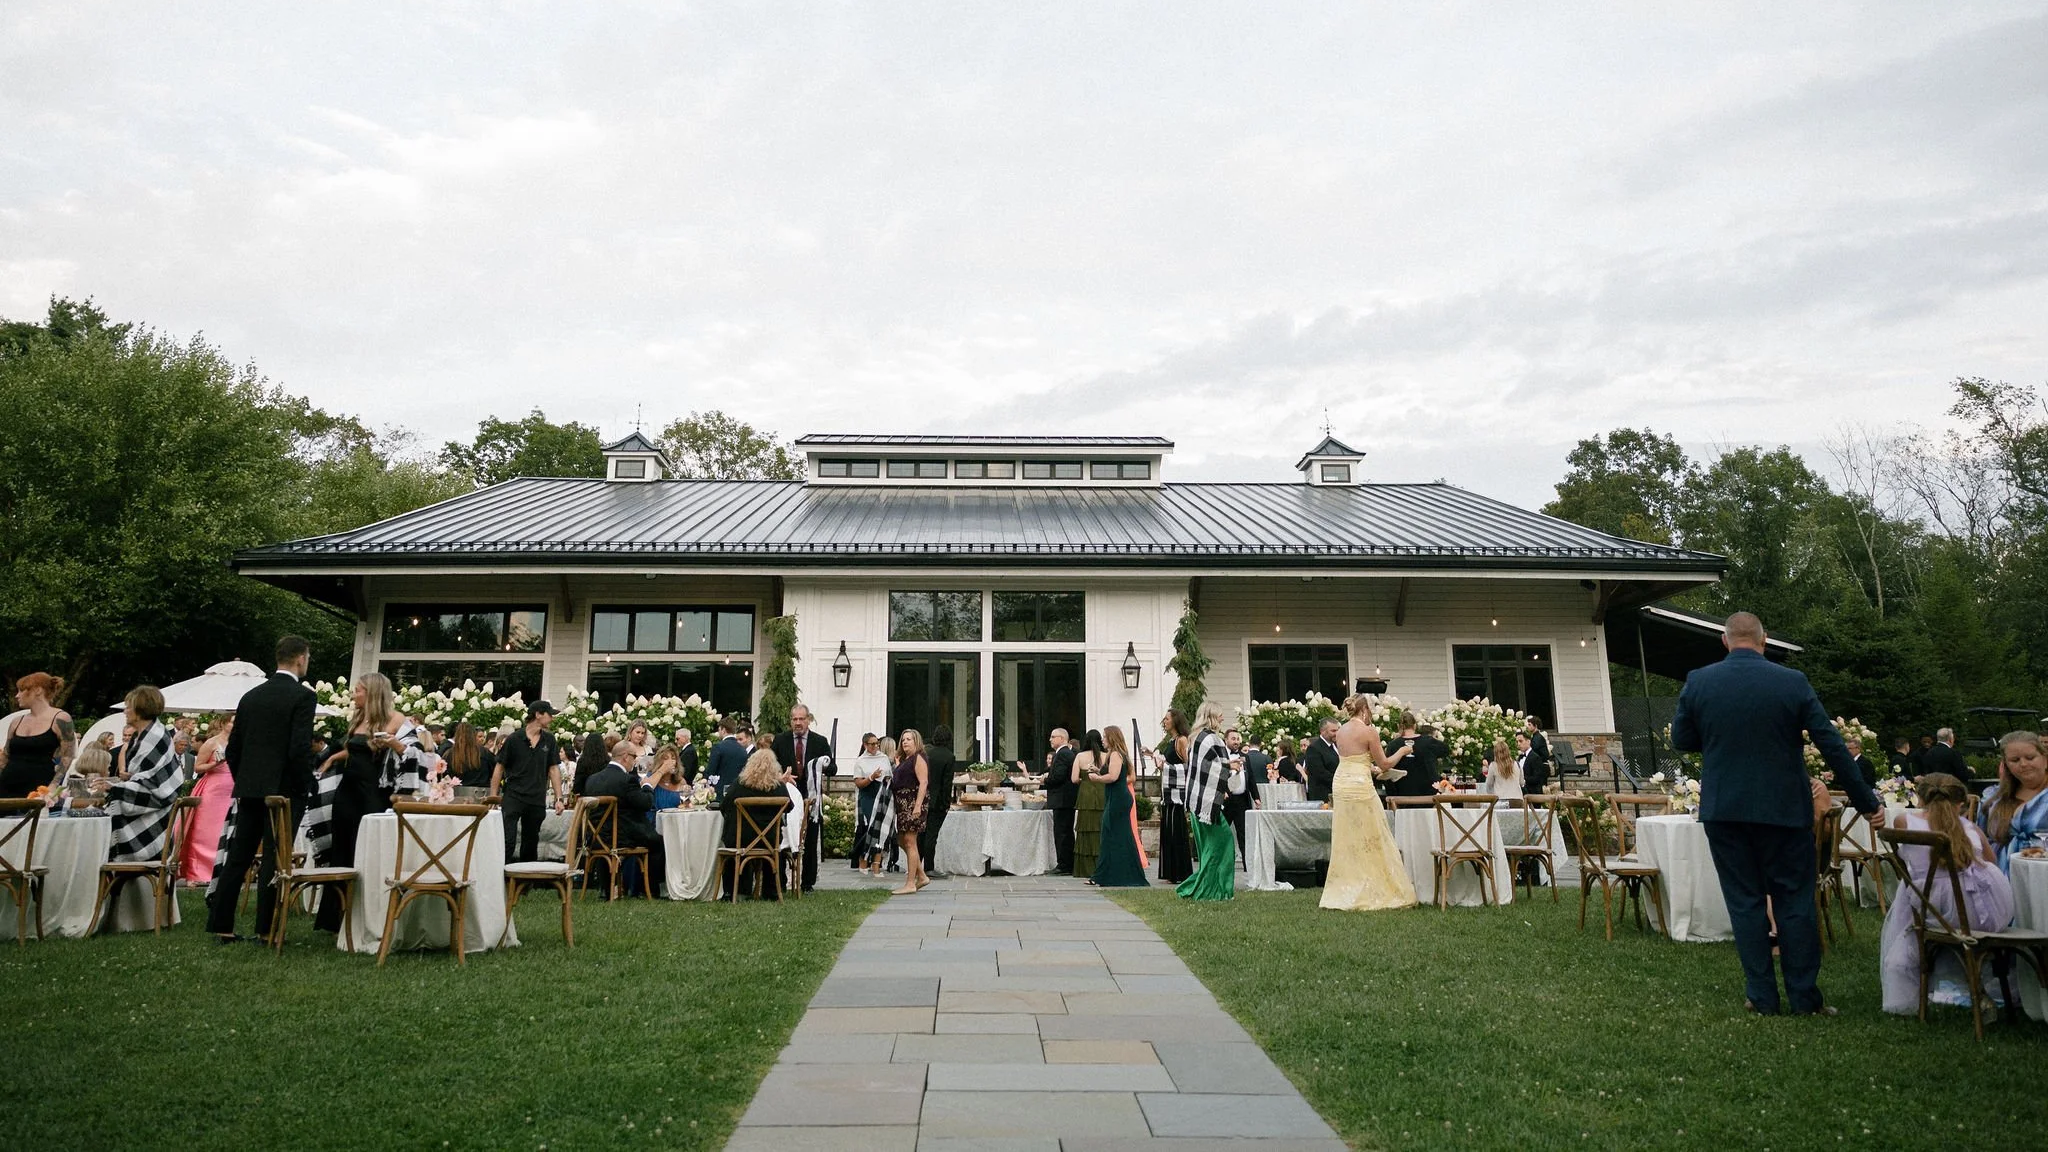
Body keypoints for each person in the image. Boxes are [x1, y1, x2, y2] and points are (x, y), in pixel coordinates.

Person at [1669, 611, 1880, 1016]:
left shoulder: (1700, 681)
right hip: (1784, 808)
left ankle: (1762, 997)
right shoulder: (1791, 682)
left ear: (1726, 642)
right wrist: (1868, 803)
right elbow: (1832, 745)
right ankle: (1805, 998)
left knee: (1745, 902)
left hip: (1725, 810)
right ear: (1764, 642)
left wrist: (1717, 738)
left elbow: (1682, 738)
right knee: (1794, 901)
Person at [206, 636, 317, 944]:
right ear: (300, 659)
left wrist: (245, 778)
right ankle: (266, 929)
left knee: (239, 855)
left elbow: (233, 748)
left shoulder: (251, 697)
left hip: (250, 787)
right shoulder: (303, 697)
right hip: (283, 791)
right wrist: (302, 784)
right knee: (275, 857)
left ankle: (221, 925)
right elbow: (298, 748)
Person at [1877, 772, 2015, 1015]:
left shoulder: (1905, 822)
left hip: (1933, 911)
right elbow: (1992, 862)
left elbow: (1903, 859)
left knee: (1911, 889)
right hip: (1984, 915)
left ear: (1920, 800)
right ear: (1961, 803)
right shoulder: (1970, 827)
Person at [310, 671, 405, 935]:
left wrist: (391, 742)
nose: (354, 694)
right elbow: (354, 748)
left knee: (370, 849)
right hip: (348, 791)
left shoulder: (395, 719)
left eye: (359, 690)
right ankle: (335, 917)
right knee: (343, 849)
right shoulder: (360, 717)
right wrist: (332, 759)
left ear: (373, 692)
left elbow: (410, 750)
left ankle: (371, 915)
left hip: (373, 792)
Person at [1320, 694, 1417, 912]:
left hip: (1342, 783)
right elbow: (1384, 763)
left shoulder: (1341, 731)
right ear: (1364, 710)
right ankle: (1374, 884)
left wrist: (1369, 767)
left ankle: (1348, 885)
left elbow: (1354, 759)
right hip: (1359, 785)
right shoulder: (1369, 731)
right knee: (1373, 833)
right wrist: (1402, 750)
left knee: (1348, 836)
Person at [93, 686, 185, 863]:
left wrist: (114, 787)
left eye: (129, 707)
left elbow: (152, 785)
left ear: (141, 708)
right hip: (152, 811)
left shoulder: (154, 736)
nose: (125, 711)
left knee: (96, 843)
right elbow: (146, 776)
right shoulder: (143, 735)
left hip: (155, 817)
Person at [580, 739, 665, 897]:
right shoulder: (627, 780)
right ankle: (648, 890)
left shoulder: (592, 779)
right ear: (625, 757)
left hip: (595, 836)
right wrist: (647, 786)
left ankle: (607, 889)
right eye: (634, 757)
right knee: (657, 842)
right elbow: (645, 803)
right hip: (619, 836)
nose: (635, 761)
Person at [772, 704, 836, 892]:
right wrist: (781, 776)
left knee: (810, 837)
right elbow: (772, 766)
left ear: (808, 719)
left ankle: (807, 883)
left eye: (802, 719)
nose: (798, 723)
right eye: (795, 719)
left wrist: (819, 767)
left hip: (811, 798)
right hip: (787, 798)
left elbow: (833, 768)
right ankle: (782, 882)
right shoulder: (780, 740)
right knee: (784, 837)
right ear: (790, 721)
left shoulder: (819, 741)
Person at [1175, 702, 1236, 901]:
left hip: (1196, 801)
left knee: (1208, 847)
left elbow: (1201, 769)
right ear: (1211, 717)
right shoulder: (1213, 739)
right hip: (1208, 804)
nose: (1222, 719)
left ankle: (1207, 885)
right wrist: (1231, 766)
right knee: (1222, 843)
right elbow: (1215, 768)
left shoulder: (1195, 739)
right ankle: (1213, 888)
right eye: (1220, 715)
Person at [491, 702, 562, 864]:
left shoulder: (549, 740)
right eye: (549, 714)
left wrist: (559, 798)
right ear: (538, 715)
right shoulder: (514, 739)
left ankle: (525, 882)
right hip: (514, 796)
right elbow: (499, 767)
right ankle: (501, 877)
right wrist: (493, 796)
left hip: (536, 797)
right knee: (507, 840)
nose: (552, 718)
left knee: (531, 842)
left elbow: (553, 769)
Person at [721, 745, 792, 898]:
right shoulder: (778, 787)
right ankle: (771, 891)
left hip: (741, 839)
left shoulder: (740, 785)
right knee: (774, 849)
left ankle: (736, 890)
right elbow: (789, 807)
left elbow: (724, 805)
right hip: (769, 840)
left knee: (731, 841)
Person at [1089, 726, 1150, 887]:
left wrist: (1097, 778)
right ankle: (1109, 874)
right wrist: (1098, 770)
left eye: (1104, 737)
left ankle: (1111, 875)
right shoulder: (1113, 754)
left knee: (1113, 834)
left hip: (1119, 798)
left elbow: (1113, 777)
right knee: (1115, 835)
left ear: (1112, 738)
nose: (1102, 740)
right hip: (1115, 797)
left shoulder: (1116, 754)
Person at [1978, 730, 2047, 871]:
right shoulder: (1995, 797)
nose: (2023, 764)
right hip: (2001, 874)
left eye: (2030, 757)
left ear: (2045, 759)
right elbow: (1981, 838)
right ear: (2006, 765)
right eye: (2015, 760)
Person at [180, 714, 235, 883]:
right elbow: (198, 767)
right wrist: (215, 764)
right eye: (233, 722)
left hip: (232, 789)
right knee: (208, 831)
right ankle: (200, 871)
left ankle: (225, 869)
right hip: (214, 789)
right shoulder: (212, 742)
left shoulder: (239, 742)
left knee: (228, 830)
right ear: (225, 723)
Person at [1, 671, 75, 798]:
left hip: (39, 788)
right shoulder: (16, 722)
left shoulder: (60, 718)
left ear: (37, 690)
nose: (17, 696)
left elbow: (67, 756)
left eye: (21, 690)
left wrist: (53, 785)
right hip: (7, 786)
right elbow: (6, 755)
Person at [890, 729, 932, 895]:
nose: (905, 742)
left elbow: (923, 782)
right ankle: (921, 876)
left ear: (916, 741)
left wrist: (917, 806)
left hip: (912, 802)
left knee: (910, 840)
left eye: (909, 739)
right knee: (902, 839)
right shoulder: (906, 759)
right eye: (903, 739)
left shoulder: (919, 757)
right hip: (902, 803)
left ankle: (910, 883)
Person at [1155, 709, 1194, 884]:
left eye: (1167, 718)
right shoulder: (1172, 741)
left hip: (1177, 795)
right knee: (1168, 830)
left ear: (1176, 721)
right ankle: (1172, 871)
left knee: (1176, 830)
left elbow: (1189, 767)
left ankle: (1180, 871)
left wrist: (1165, 767)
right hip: (1169, 793)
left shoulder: (1182, 740)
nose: (1164, 721)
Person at [918, 724, 959, 877]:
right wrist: (946, 803)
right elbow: (947, 783)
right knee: (931, 835)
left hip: (923, 798)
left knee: (921, 834)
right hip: (937, 801)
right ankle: (929, 867)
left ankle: (916, 864)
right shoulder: (949, 756)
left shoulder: (926, 753)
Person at [850, 733, 890, 871]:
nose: (875, 746)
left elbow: (889, 775)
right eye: (872, 744)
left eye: (877, 743)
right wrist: (871, 777)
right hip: (867, 795)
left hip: (881, 794)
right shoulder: (860, 761)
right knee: (868, 828)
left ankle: (876, 861)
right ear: (865, 745)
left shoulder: (883, 758)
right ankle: (862, 860)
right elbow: (858, 783)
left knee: (879, 828)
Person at [1073, 729, 1108, 879]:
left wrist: (1084, 780)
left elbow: (1074, 779)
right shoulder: (1107, 756)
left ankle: (1085, 869)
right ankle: (1103, 864)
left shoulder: (1080, 756)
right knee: (1101, 828)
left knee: (1085, 829)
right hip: (1102, 793)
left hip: (1086, 794)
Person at [1044, 729, 1078, 875]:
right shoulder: (1066, 753)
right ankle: (1067, 863)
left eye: (1053, 737)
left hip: (1062, 800)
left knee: (1062, 832)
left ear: (1062, 738)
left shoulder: (1062, 754)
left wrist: (1044, 780)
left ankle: (1064, 864)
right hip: (1066, 799)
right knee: (1065, 832)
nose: (1050, 739)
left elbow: (1058, 777)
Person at [1387, 714, 1444, 799]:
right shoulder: (1428, 742)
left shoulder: (1393, 745)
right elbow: (1445, 751)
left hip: (1402, 795)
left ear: (1398, 726)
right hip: (1429, 795)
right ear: (1415, 726)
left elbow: (1388, 772)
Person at [705, 715, 747, 793]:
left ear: (723, 730)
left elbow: (711, 770)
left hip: (719, 790)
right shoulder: (743, 750)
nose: (719, 732)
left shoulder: (718, 747)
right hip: (737, 791)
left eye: (719, 730)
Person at [1302, 719, 1341, 803]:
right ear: (1322, 731)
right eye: (1333, 731)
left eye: (1338, 730)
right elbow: (1319, 773)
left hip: (1338, 793)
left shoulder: (1337, 746)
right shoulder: (1314, 748)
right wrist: (1340, 781)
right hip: (1323, 796)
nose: (1337, 733)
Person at [648, 746, 687, 811]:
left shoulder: (681, 781)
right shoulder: (650, 776)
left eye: (673, 758)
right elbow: (647, 787)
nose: (670, 762)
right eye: (666, 758)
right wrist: (663, 770)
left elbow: (686, 804)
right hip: (655, 819)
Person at [1521, 715, 1552, 794]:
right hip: (1539, 766)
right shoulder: (1535, 737)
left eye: (1530, 725)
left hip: (1541, 767)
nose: (1528, 727)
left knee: (1539, 790)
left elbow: (1533, 751)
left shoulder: (1537, 738)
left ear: (1536, 726)